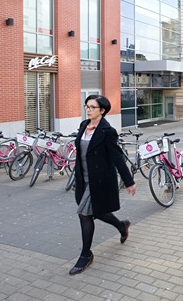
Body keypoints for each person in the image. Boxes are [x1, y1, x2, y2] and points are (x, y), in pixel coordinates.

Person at [69, 95, 136, 276]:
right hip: (83, 178)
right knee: (97, 211)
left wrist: (129, 181)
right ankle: (122, 226)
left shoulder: (107, 131)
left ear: (102, 110)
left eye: (92, 107)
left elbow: (117, 156)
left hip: (99, 180)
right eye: (87, 106)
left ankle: (86, 255)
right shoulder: (84, 126)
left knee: (84, 213)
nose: (88, 109)